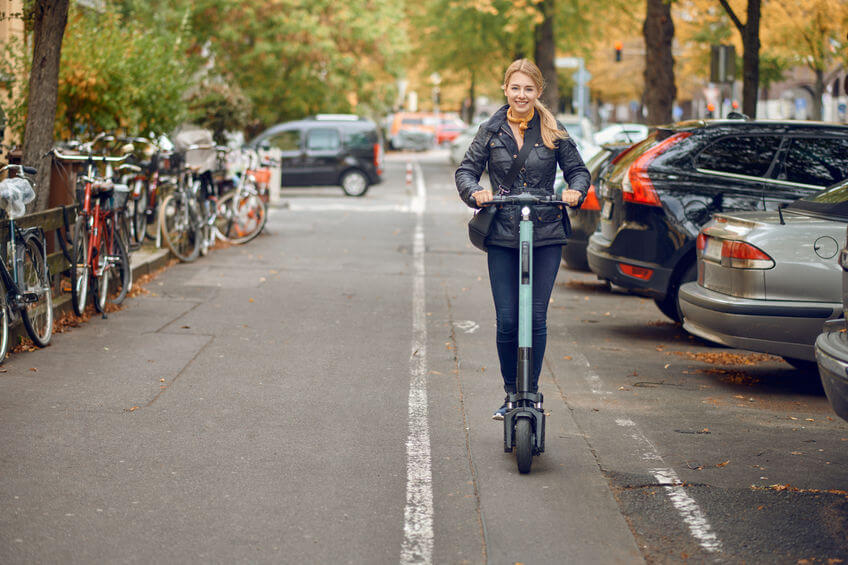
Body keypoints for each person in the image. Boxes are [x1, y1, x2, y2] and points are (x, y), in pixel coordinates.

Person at [455, 59, 591, 420]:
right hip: (501, 234)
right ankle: (511, 392)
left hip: (545, 232)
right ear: (505, 89)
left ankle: (530, 392)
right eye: (515, 88)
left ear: (538, 92)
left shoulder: (552, 129)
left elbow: (578, 170)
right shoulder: (491, 129)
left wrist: (576, 191)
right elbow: (466, 171)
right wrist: (476, 192)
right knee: (507, 319)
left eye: (528, 89)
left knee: (536, 317)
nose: (521, 95)